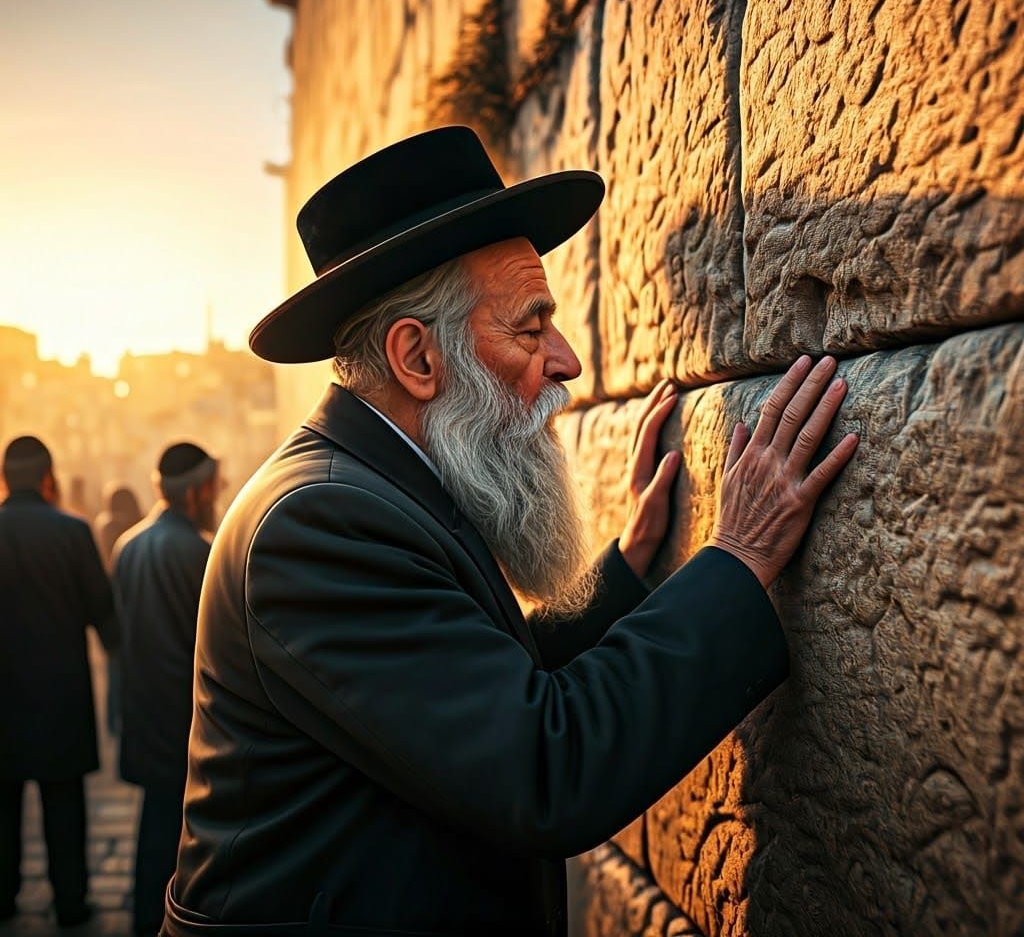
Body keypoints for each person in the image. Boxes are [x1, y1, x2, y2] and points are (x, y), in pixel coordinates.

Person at [165, 126, 859, 936]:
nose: (564, 360)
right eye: (530, 328)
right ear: (417, 359)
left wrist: (629, 569)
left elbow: (473, 682)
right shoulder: (318, 525)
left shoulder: (373, 485)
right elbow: (542, 764)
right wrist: (739, 555)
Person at [0, 435, 119, 929]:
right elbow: (104, 615)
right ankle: (70, 902)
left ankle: (3, 898)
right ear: (49, 478)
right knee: (65, 805)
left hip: (2, 699)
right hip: (60, 697)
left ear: (5, 479)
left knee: (3, 810)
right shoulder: (72, 532)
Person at [113, 443, 219, 937]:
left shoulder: (128, 547)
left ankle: (141, 916)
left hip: (143, 709)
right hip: (186, 716)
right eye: (214, 487)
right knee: (182, 831)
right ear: (196, 492)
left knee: (153, 822)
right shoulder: (200, 551)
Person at [94, 484, 144, 737]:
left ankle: (114, 722)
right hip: (136, 602)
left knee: (113, 668)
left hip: (112, 604)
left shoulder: (104, 525)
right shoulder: (137, 527)